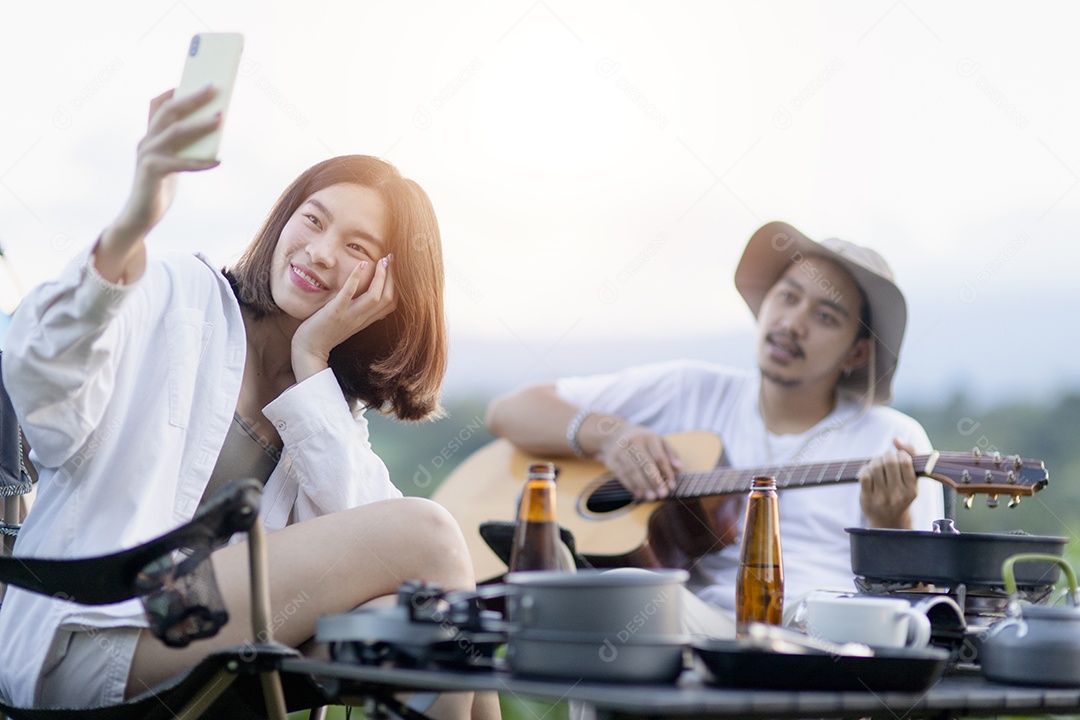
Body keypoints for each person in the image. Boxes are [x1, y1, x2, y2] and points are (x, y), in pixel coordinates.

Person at [0, 87, 500, 720]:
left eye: (356, 248)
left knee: (413, 618)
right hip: (96, 633)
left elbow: (378, 547)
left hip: (204, 645)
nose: (320, 251)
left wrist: (312, 361)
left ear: (388, 285)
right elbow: (42, 367)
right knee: (430, 529)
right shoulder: (180, 295)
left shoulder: (331, 404)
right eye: (313, 221)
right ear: (283, 221)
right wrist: (133, 220)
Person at [485, 221, 944, 637]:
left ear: (857, 354)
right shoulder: (691, 389)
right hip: (695, 622)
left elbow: (915, 609)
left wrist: (892, 524)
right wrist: (607, 434)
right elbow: (509, 410)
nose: (793, 322)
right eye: (788, 296)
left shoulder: (894, 438)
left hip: (819, 631)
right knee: (620, 596)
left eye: (826, 316)